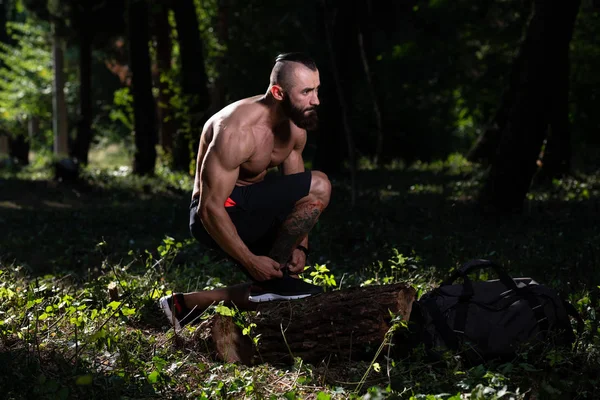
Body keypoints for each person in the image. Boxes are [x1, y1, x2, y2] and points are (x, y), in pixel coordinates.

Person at [159, 52, 332, 330]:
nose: (316, 101)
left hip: (252, 206)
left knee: (286, 292)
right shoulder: (236, 130)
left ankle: (184, 305)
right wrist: (251, 262)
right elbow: (208, 208)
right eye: (307, 92)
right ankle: (268, 280)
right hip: (216, 212)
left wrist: (301, 245)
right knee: (321, 182)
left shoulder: (295, 127)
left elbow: (300, 196)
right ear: (278, 92)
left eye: (317, 90)